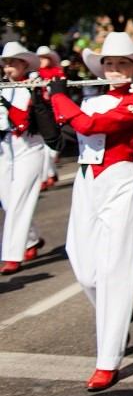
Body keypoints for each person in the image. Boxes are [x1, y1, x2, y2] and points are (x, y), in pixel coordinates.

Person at [47, 32, 133, 391]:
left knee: (114, 269)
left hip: (119, 181)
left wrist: (60, 95)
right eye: (108, 63)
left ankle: (107, 360)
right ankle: (119, 315)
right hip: (85, 181)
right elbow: (67, 136)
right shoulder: (92, 100)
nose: (113, 69)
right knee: (84, 266)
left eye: (121, 64)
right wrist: (41, 103)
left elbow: (93, 127)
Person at [0, 43, 59, 275]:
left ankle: (12, 256)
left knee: (19, 201)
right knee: (7, 200)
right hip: (5, 147)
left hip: (30, 146)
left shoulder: (33, 87)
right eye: (6, 62)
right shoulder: (4, 87)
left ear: (24, 64)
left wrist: (5, 102)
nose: (8, 66)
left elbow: (23, 121)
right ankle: (31, 239)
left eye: (13, 62)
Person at [35, 45, 64, 190]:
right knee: (45, 148)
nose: (42, 60)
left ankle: (50, 173)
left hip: (56, 111)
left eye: (45, 57)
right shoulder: (34, 75)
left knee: (53, 150)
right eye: (40, 58)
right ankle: (46, 176)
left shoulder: (57, 74)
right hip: (44, 113)